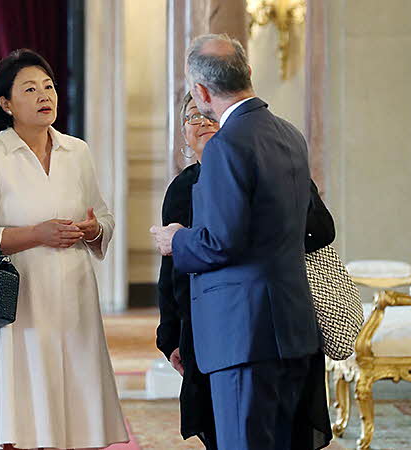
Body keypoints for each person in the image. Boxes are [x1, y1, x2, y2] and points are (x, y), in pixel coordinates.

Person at [150, 34, 331, 449]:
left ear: (201, 90)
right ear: (248, 72)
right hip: (292, 325)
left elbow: (220, 243)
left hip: (243, 333)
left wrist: (177, 241)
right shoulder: (289, 134)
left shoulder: (227, 146)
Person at [0, 49, 129, 450]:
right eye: (29, 89)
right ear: (6, 103)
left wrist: (91, 230)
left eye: (48, 87)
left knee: (74, 414)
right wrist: (37, 234)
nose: (43, 95)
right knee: (23, 415)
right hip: (21, 300)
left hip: (74, 296)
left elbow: (103, 218)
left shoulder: (77, 151)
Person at [155, 92, 220, 449]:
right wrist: (170, 336)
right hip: (195, 322)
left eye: (211, 115)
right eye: (194, 117)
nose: (204, 123)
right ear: (183, 132)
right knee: (210, 423)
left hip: (237, 316)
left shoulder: (249, 173)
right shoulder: (181, 187)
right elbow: (171, 269)